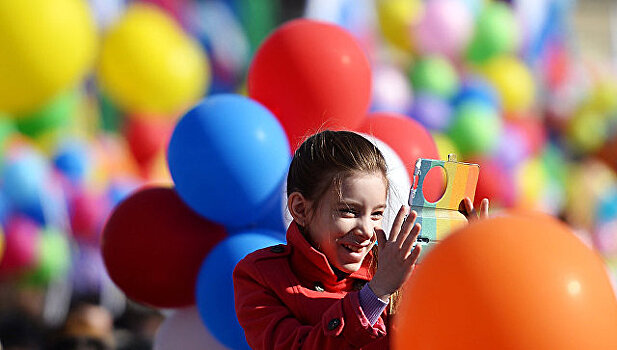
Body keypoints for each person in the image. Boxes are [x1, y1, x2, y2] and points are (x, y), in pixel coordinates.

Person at [233, 130, 489, 349]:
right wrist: (375, 294)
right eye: (349, 211)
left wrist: (473, 270)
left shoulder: (400, 269)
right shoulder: (259, 275)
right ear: (300, 209)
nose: (367, 230)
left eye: (377, 214)